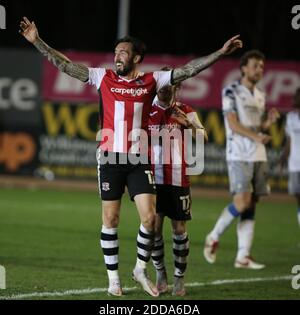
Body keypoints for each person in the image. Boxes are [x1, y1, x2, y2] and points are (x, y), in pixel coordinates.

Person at [19, 16, 242, 296]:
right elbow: (65, 65)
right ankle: (113, 279)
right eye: (115, 53)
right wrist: (37, 42)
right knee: (110, 220)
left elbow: (188, 70)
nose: (117, 57)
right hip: (111, 158)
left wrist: (221, 53)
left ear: (136, 57)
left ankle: (139, 268)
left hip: (139, 160)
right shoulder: (104, 77)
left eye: (122, 53)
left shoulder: (152, 80)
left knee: (150, 219)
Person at [203, 50, 280, 269]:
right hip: (239, 154)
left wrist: (268, 124)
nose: (259, 70)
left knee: (251, 205)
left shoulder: (260, 95)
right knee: (242, 202)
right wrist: (258, 136)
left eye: (262, 67)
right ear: (244, 68)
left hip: (258, 154)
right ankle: (213, 235)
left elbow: (257, 127)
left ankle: (243, 256)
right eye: (255, 65)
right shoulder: (231, 91)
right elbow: (233, 124)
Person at [148, 74, 208, 296]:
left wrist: (189, 124)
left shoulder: (186, 109)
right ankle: (160, 273)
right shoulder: (145, 109)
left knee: (179, 229)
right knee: (153, 228)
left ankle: (179, 278)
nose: (164, 90)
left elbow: (204, 136)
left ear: (178, 87)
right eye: (160, 86)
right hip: (152, 179)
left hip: (177, 178)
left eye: (169, 86)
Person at [280, 88, 300, 230]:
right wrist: (283, 159)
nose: (294, 98)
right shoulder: (291, 117)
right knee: (298, 199)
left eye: (297, 96)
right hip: (294, 164)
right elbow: (289, 141)